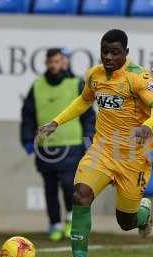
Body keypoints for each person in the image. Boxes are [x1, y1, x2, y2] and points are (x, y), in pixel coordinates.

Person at [36, 29, 153, 257]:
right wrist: (55, 122)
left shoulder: (138, 77)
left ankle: (143, 213)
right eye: (104, 51)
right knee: (81, 194)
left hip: (133, 157)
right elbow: (83, 101)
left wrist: (147, 126)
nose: (108, 57)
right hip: (102, 150)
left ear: (126, 53)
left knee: (126, 222)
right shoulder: (94, 75)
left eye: (115, 52)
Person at [20, 48, 96, 242]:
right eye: (50, 62)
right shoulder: (37, 86)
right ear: (46, 63)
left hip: (72, 145)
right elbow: (28, 115)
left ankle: (71, 218)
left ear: (64, 62)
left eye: (57, 61)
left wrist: (89, 138)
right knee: (49, 187)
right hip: (46, 147)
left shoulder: (76, 84)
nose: (54, 65)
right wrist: (28, 139)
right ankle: (54, 224)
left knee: (69, 185)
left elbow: (88, 115)